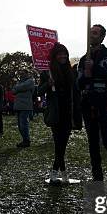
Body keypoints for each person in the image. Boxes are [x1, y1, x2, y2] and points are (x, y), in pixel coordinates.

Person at [77, 24, 107, 181]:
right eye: (90, 33)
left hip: (104, 104)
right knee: (92, 143)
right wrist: (85, 74)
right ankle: (97, 177)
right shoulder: (83, 59)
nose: (92, 35)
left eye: (95, 33)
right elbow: (79, 83)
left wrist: (95, 68)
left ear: (102, 36)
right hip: (88, 105)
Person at [38, 43, 82, 183]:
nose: (63, 56)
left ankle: (57, 173)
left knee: (63, 143)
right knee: (59, 143)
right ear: (55, 56)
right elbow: (38, 92)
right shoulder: (47, 72)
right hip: (56, 112)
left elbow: (76, 89)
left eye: (65, 54)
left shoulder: (71, 72)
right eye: (60, 54)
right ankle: (59, 173)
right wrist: (48, 85)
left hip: (69, 112)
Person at [12, 69, 35, 147]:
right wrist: (18, 88)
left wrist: (17, 88)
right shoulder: (19, 82)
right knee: (20, 125)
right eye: (21, 73)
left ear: (27, 74)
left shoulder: (30, 81)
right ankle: (24, 139)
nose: (22, 74)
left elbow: (23, 87)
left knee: (23, 124)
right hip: (18, 106)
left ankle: (26, 140)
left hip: (25, 106)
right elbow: (13, 91)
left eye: (23, 73)